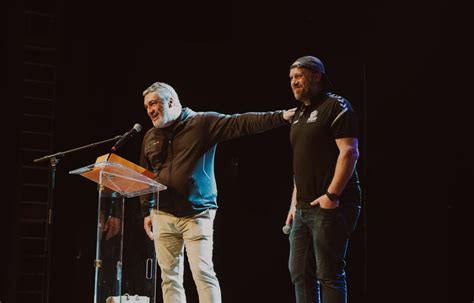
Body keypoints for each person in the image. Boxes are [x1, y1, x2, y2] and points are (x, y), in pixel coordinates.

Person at [139, 81, 296, 303]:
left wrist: (280, 116)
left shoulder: (201, 123)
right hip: (163, 214)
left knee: (202, 273)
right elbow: (145, 175)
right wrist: (147, 210)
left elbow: (241, 123)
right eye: (146, 107)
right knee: (169, 278)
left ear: (171, 101)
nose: (150, 110)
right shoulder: (150, 136)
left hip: (197, 213)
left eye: (153, 103)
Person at [284, 56, 362, 303]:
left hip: (331, 204)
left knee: (328, 274)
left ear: (317, 76)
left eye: (299, 76)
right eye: (291, 78)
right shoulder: (300, 114)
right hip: (304, 207)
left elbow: (350, 152)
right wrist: (294, 203)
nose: (294, 82)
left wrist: (332, 195)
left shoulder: (336, 106)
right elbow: (302, 163)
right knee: (299, 272)